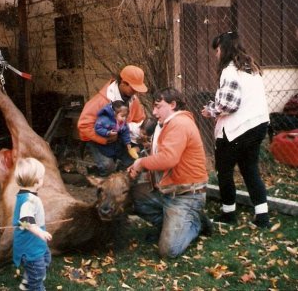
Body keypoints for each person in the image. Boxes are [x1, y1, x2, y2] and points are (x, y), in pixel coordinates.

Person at [128, 87, 212, 259]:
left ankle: (195, 223)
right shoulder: (166, 124)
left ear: (173, 104)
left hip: (185, 195)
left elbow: (168, 159)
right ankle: (171, 225)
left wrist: (140, 163)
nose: (154, 111)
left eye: (158, 106)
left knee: (168, 251)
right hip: (167, 191)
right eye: (153, 107)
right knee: (130, 197)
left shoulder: (179, 123)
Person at [201, 31, 271, 228]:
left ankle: (228, 214)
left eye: (217, 49)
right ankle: (262, 217)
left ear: (224, 49)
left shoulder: (230, 71)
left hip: (238, 128)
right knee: (250, 170)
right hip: (258, 125)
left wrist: (210, 110)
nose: (216, 54)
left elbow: (228, 105)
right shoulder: (252, 69)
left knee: (224, 170)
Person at [78, 65, 147, 176]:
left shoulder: (133, 100)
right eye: (133, 88)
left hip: (120, 136)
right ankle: (103, 187)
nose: (136, 92)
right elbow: (84, 125)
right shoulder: (101, 101)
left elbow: (139, 119)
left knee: (134, 161)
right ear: (123, 83)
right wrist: (104, 139)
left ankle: (122, 183)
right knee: (107, 166)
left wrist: (141, 133)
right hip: (96, 137)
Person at [12, 157, 52, 291]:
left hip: (35, 241)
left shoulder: (26, 195)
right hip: (30, 244)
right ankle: (34, 285)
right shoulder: (29, 200)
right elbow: (26, 221)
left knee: (46, 257)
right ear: (36, 181)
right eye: (41, 177)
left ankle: (28, 281)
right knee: (38, 270)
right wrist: (40, 231)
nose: (42, 180)